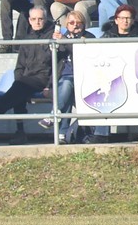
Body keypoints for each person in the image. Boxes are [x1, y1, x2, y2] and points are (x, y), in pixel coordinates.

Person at [81, 4, 138, 144]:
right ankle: (101, 134)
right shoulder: (106, 37)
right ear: (116, 20)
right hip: (112, 76)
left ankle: (136, 132)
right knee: (103, 91)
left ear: (133, 20)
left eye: (128, 18)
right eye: (122, 18)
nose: (125, 21)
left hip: (136, 76)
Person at [0, 6, 54, 145]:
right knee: (19, 89)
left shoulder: (52, 37)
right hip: (26, 79)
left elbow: (56, 65)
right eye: (34, 19)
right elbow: (19, 66)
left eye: (40, 19)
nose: (37, 22)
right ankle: (20, 131)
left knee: (20, 87)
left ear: (45, 19)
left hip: (43, 77)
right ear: (29, 20)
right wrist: (18, 80)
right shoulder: (27, 39)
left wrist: (49, 85)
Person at [38, 10, 95, 143]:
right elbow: (48, 61)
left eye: (79, 22)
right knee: (66, 88)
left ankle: (54, 118)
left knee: (67, 86)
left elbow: (80, 52)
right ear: (66, 25)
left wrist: (64, 41)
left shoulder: (89, 37)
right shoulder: (61, 37)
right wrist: (53, 46)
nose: (75, 25)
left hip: (84, 77)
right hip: (63, 77)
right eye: (72, 22)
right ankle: (61, 134)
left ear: (84, 24)